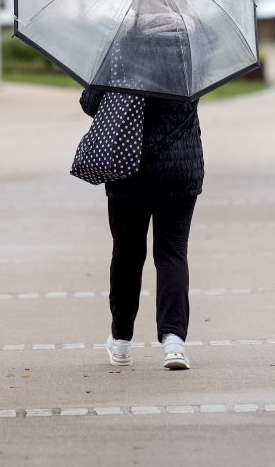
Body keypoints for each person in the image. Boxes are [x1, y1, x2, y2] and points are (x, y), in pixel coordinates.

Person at [79, 77, 203, 370]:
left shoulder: (121, 54)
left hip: (127, 167)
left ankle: (121, 342)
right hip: (179, 169)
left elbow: (90, 104)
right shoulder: (185, 55)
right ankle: (174, 342)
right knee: (172, 254)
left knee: (127, 255)